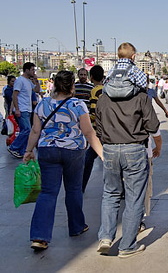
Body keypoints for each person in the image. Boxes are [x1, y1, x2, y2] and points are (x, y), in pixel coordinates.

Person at [24, 70, 103, 250]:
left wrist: (28, 150)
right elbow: (89, 133)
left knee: (48, 192)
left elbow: (35, 131)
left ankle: (40, 236)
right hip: (73, 151)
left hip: (47, 150)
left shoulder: (43, 104)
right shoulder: (77, 104)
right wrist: (102, 154)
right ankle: (76, 226)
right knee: (74, 189)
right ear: (72, 87)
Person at [95, 64, 160, 257]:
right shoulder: (141, 97)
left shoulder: (103, 98)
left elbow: (98, 126)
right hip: (135, 148)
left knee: (110, 193)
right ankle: (127, 246)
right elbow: (153, 125)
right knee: (134, 198)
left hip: (110, 149)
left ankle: (106, 237)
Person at [8, 62, 41, 158]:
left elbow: (37, 90)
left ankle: (22, 151)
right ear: (26, 70)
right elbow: (15, 95)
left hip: (28, 109)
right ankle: (14, 147)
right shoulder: (20, 80)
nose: (34, 71)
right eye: (32, 70)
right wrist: (17, 109)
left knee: (25, 131)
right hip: (22, 109)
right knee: (27, 130)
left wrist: (36, 80)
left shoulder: (28, 81)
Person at [82, 65, 105, 193]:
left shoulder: (94, 90)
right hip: (109, 130)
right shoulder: (107, 89)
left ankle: (81, 187)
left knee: (88, 159)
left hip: (98, 131)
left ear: (91, 77)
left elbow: (93, 112)